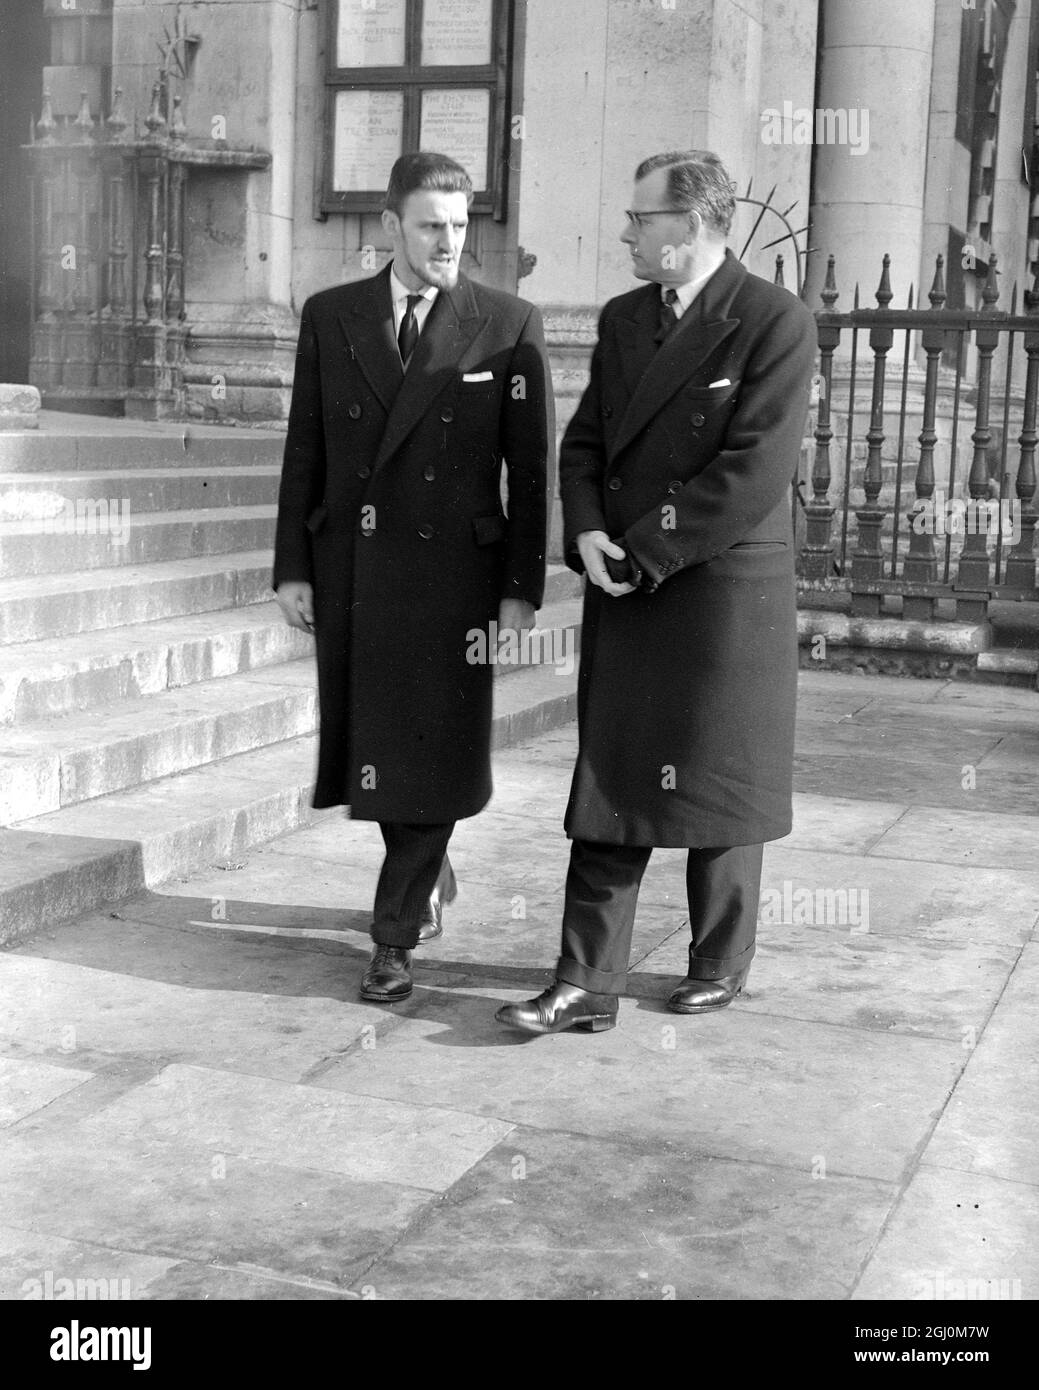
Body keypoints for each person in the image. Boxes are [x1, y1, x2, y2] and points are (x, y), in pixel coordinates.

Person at [496, 149, 816, 1035]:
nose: (628, 233)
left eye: (642, 219)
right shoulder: (624, 318)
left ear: (693, 225)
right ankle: (584, 980)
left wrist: (643, 550)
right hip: (624, 577)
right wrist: (589, 532)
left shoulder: (772, 321)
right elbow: (586, 444)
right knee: (612, 777)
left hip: (719, 591)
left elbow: (752, 472)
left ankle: (719, 959)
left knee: (722, 777)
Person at [274, 152, 553, 1004]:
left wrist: (519, 589)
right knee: (381, 748)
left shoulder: (506, 321)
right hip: (353, 564)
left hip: (454, 579)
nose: (449, 241)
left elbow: (528, 469)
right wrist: (292, 566)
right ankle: (426, 872)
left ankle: (391, 937)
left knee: (430, 747)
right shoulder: (331, 316)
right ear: (389, 226)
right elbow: (305, 450)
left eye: (462, 225)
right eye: (431, 224)